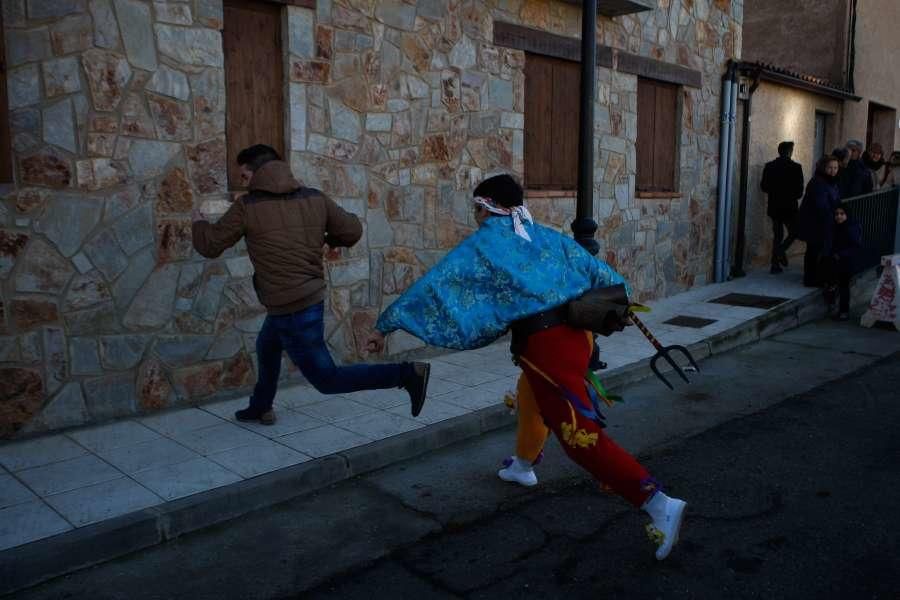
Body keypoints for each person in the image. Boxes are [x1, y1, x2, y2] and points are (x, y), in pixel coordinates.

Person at [365, 174, 687, 561]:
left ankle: (657, 503)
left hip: (547, 349)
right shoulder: (545, 236)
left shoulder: (485, 244)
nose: (475, 216)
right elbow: (610, 278)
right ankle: (522, 464)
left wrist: (387, 324)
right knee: (529, 395)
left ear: (486, 207)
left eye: (476, 208)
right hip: (575, 340)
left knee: (579, 438)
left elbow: (436, 286)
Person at [191, 144, 429, 425]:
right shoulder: (314, 197)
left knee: (327, 379)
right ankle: (261, 406)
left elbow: (209, 245)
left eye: (244, 176)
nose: (243, 183)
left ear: (258, 173)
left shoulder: (247, 207)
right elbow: (352, 230)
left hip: (291, 307)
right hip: (303, 299)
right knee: (267, 345)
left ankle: (406, 374)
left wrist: (198, 223)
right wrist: (327, 237)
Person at [760, 141, 804, 274]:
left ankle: (775, 265)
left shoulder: (769, 166)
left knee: (778, 235)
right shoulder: (796, 167)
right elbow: (799, 191)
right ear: (790, 151)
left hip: (775, 206)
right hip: (789, 206)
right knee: (795, 232)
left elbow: (764, 187)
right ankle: (780, 251)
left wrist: (776, 192)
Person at [798, 155, 841, 287]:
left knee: (820, 250)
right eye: (830, 168)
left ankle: (817, 277)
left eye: (835, 168)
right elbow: (821, 205)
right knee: (814, 250)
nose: (833, 171)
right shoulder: (818, 182)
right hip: (815, 222)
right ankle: (811, 279)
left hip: (825, 221)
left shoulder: (832, 182)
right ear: (823, 168)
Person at [820, 205, 863, 321]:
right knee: (831, 284)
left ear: (847, 215)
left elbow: (855, 245)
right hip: (834, 261)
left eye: (842, 214)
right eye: (837, 214)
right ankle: (835, 307)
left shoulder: (851, 227)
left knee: (844, 287)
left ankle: (844, 312)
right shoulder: (834, 226)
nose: (839, 216)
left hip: (846, 262)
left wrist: (841, 254)